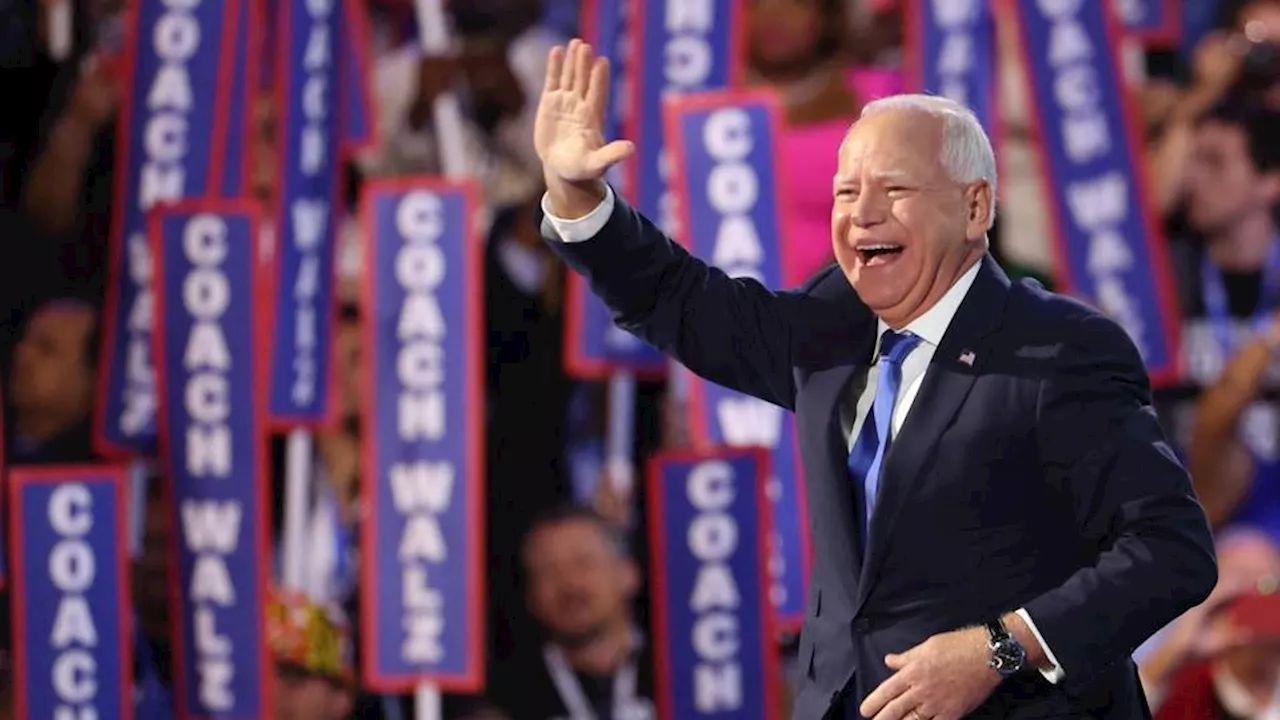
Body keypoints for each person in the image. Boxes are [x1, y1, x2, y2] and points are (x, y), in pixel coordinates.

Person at [532, 39, 1218, 719]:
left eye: (894, 189)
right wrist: (580, 197)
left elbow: (1170, 551)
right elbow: (685, 302)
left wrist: (997, 651)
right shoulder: (834, 324)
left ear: (975, 208)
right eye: (847, 191)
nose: (862, 214)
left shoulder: (1059, 349)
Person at [488, 504, 654, 720]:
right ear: (530, 596)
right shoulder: (503, 697)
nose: (569, 583)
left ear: (629, 574)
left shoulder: (686, 675)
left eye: (584, 563)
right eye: (548, 570)